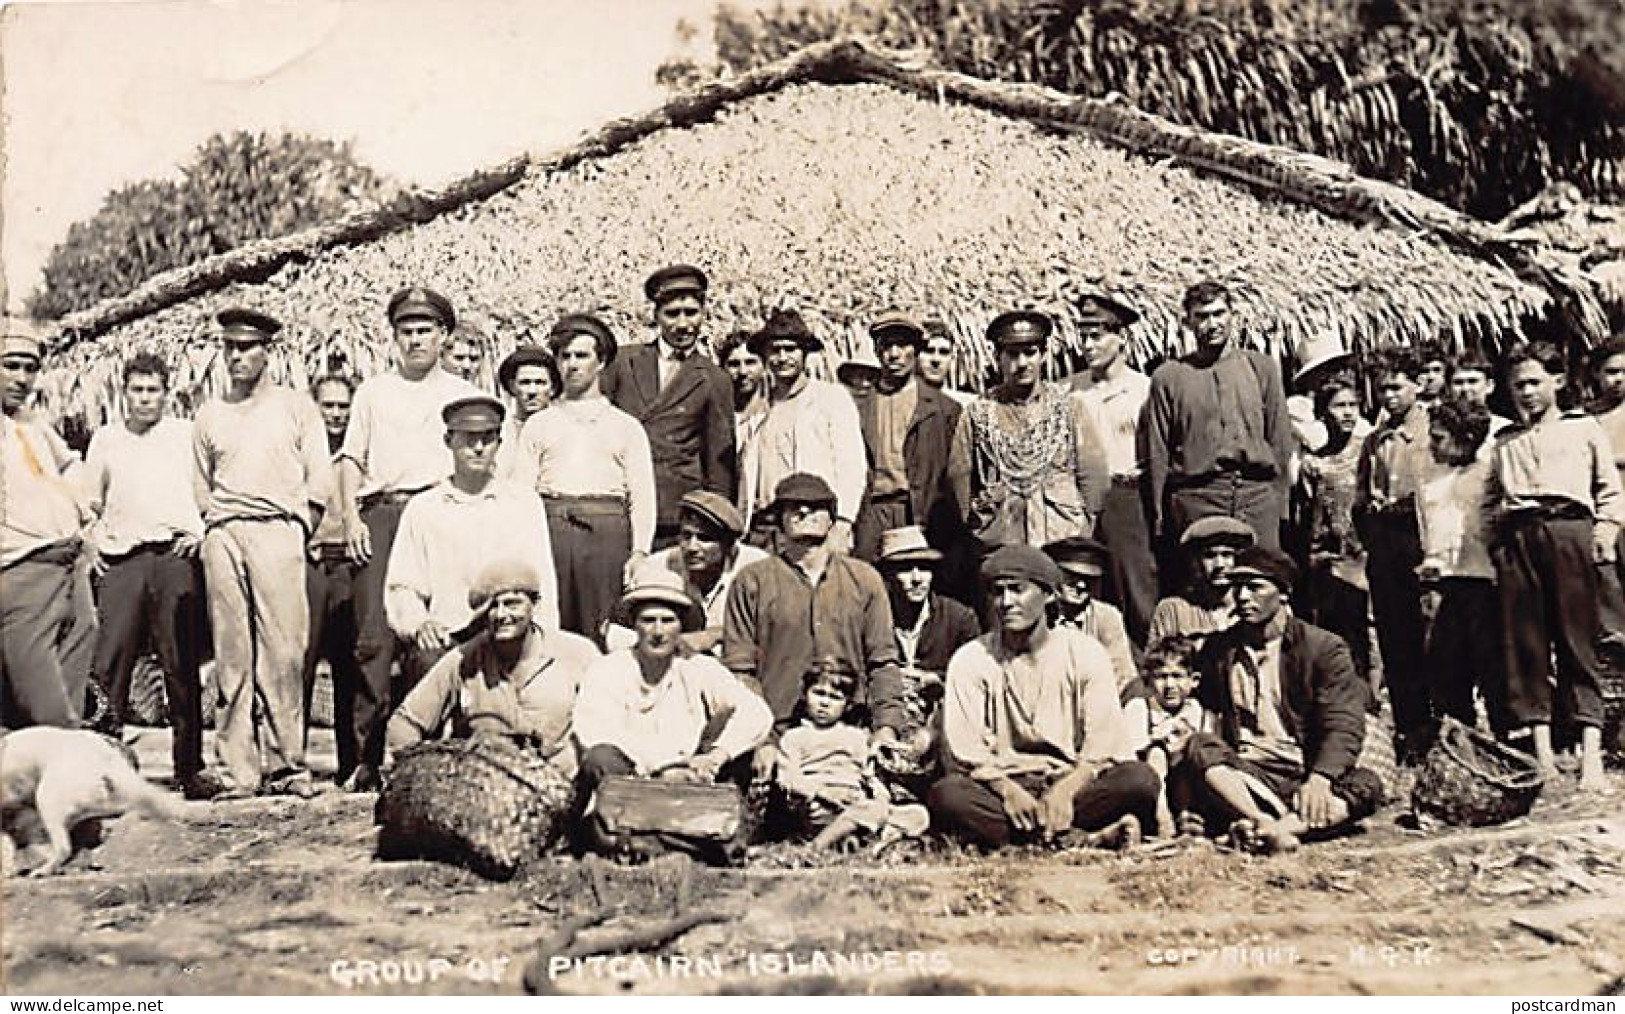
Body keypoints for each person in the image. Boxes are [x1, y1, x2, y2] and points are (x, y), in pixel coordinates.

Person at [338, 286, 480, 791]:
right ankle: (367, 758)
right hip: (382, 512)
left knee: (440, 629)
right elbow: (352, 460)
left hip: (438, 513)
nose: (416, 340)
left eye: (425, 330)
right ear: (394, 337)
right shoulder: (374, 392)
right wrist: (351, 519)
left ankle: (431, 755)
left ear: (443, 335)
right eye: (407, 331)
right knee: (373, 639)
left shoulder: (460, 392)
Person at [929, 545, 1158, 850]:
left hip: (1073, 781)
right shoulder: (972, 659)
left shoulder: (1085, 652)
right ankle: (1079, 838)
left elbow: (1102, 744)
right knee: (948, 796)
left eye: (1017, 590)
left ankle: (1028, 839)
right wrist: (1008, 791)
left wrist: (1066, 791)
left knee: (1139, 780)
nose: (1006, 602)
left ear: (1049, 594)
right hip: (1004, 786)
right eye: (998, 592)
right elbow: (966, 750)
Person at [193, 307, 333, 799]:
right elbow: (201, 486)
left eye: (246, 347)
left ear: (266, 351)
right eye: (229, 347)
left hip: (279, 532)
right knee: (232, 655)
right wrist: (217, 531)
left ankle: (288, 764)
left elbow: (320, 477)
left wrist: (300, 526)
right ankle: (237, 770)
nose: (236, 356)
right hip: (225, 533)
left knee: (284, 653)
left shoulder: (296, 408)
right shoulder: (209, 414)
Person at [1488, 341, 1623, 792]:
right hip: (1518, 537)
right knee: (1525, 642)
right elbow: (1490, 499)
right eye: (1517, 386)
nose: (1525, 393)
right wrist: (1498, 543)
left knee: (1577, 640)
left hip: (1570, 532)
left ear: (1558, 382)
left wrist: (1602, 534)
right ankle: (1543, 755)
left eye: (1533, 383)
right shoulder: (1505, 440)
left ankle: (1590, 755)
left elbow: (1609, 489)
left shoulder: (1582, 429)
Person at [1186, 546, 1384, 854]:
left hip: (1301, 771)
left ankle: (1277, 830)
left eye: (1254, 587)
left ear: (1284, 593)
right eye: (1237, 587)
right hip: (1244, 776)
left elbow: (1344, 723)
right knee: (1200, 746)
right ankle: (1263, 821)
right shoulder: (1220, 649)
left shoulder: (1323, 648)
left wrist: (1320, 778)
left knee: (1366, 784)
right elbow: (1206, 712)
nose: (1241, 597)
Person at [573, 568, 774, 859]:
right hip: (631, 785)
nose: (657, 631)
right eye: (648, 620)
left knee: (735, 766)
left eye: (668, 621)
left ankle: (647, 842)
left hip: (686, 788)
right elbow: (594, 733)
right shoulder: (607, 669)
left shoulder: (698, 667)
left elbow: (757, 713)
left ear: (680, 626)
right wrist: (663, 770)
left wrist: (717, 756)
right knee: (601, 760)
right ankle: (682, 843)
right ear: (634, 625)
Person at [81, 353, 207, 796]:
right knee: (109, 663)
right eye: (137, 390)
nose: (145, 399)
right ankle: (103, 767)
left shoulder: (185, 435)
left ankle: (190, 768)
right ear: (124, 392)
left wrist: (201, 531)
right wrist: (91, 538)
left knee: (180, 663)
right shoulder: (106, 440)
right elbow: (87, 502)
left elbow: (211, 490)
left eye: (153, 390)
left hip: (173, 557)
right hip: (122, 559)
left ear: (166, 392)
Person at [722, 473, 906, 768]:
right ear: (779, 519)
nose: (804, 512)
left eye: (816, 506)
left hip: (850, 732)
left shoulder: (864, 579)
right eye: (793, 507)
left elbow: (882, 661)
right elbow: (740, 670)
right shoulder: (752, 581)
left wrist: (886, 727)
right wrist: (761, 739)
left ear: (832, 518)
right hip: (776, 735)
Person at [385, 395, 561, 679]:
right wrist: (420, 624)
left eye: (487, 438)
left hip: (510, 630)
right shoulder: (424, 508)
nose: (478, 448)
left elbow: (543, 582)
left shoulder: (523, 503)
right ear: (448, 441)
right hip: (450, 634)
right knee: (427, 667)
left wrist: (545, 640)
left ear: (499, 443)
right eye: (468, 439)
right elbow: (402, 586)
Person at [515, 313, 657, 643]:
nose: (572, 365)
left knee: (605, 627)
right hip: (552, 531)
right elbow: (521, 496)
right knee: (551, 627)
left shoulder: (625, 426)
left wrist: (639, 552)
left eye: (582, 355)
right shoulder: (540, 424)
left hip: (606, 537)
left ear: (601, 361)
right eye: (564, 356)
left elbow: (642, 496)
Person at [385, 559, 597, 778]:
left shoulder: (577, 654)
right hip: (488, 791)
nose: (502, 614)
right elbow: (405, 722)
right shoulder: (464, 659)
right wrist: (412, 777)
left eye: (513, 603)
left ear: (535, 605)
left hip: (562, 788)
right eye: (492, 606)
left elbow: (607, 726)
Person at [1145, 281, 1293, 554]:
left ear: (1232, 316)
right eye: (1202, 316)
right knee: (1204, 582)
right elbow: (1158, 451)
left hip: (1256, 496)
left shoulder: (1261, 368)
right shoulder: (1169, 377)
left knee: (1261, 576)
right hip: (1197, 498)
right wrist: (1159, 516)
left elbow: (1280, 440)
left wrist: (1280, 505)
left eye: (1219, 313)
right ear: (1187, 322)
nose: (1212, 324)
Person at [601, 265, 736, 549]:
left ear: (704, 315)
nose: (683, 324)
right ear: (656, 316)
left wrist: (715, 523)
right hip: (620, 505)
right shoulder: (623, 364)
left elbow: (719, 462)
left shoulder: (714, 379)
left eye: (691, 313)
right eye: (672, 314)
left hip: (675, 515)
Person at [1, 318, 93, 728]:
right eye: (10, 365)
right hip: (21, 567)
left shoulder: (33, 425)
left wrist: (81, 510)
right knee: (42, 697)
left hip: (70, 563)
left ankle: (54, 768)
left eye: (30, 368)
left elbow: (72, 463)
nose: (22, 378)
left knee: (81, 640)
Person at [964, 310, 1109, 550]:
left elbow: (1094, 478)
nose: (1022, 363)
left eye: (1030, 353)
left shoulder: (1069, 408)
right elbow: (959, 479)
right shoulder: (978, 413)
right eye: (1012, 354)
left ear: (1043, 355)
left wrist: (1083, 529)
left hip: (1060, 536)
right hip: (1001, 539)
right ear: (997, 357)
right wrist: (980, 528)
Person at [1354, 346, 1432, 762]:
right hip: (1387, 544)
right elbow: (1361, 497)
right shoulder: (1374, 440)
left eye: (1397, 387)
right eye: (1382, 389)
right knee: (1395, 637)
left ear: (1417, 386)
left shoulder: (1432, 432)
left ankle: (1446, 731)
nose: (1389, 396)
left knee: (1433, 637)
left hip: (1424, 541)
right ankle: (1411, 733)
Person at [1066, 291, 1158, 642]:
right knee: (1085, 584)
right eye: (1083, 336)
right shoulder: (1071, 391)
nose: (1087, 345)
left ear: (1121, 338)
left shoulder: (1143, 390)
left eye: (1096, 336)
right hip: (1081, 500)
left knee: (1135, 585)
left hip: (1127, 497)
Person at [737, 310, 866, 553]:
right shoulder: (756, 410)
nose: (782, 357)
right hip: (765, 526)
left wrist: (842, 525)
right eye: (775, 350)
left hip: (813, 521)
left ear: (804, 354)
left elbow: (851, 468)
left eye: (790, 349)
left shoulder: (830, 399)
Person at [850, 311, 971, 564]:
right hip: (873, 511)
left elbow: (957, 474)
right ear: (876, 350)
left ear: (916, 350)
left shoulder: (944, 410)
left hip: (921, 510)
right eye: (886, 346)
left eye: (902, 345)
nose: (894, 354)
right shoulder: (857, 407)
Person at [776, 657, 931, 851]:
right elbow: (788, 779)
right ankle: (817, 847)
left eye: (834, 697)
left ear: (847, 704)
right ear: (805, 695)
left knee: (918, 814)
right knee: (865, 813)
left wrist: (880, 799)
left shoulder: (856, 737)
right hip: (818, 805)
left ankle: (855, 839)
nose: (824, 703)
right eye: (818, 693)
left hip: (854, 802)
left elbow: (869, 776)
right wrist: (822, 793)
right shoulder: (795, 737)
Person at [1417, 395, 1504, 734]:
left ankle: (1504, 743)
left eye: (1439, 438)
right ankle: (1457, 741)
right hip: (1443, 583)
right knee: (1445, 665)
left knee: (1490, 664)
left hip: (1484, 581)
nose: (1432, 446)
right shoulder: (1430, 480)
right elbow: (1429, 531)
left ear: (1466, 439)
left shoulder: (1489, 474)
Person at [873, 525, 981, 779]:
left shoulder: (959, 617)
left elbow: (977, 678)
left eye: (924, 568)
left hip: (944, 720)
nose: (917, 578)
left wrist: (938, 679)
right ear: (886, 576)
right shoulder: (873, 617)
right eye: (905, 569)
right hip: (885, 718)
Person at [602, 491, 768, 655]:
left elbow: (770, 627)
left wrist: (712, 635)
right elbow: (620, 631)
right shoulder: (658, 566)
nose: (692, 547)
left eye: (704, 538)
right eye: (686, 536)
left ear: (728, 545)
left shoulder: (755, 567)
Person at [1296, 370, 1375, 697]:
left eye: (1353, 405)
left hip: (1365, 557)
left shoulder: (1368, 448)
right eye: (1339, 405)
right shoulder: (1315, 460)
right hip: (1330, 560)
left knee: (1369, 637)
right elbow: (1313, 517)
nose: (1347, 413)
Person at [303, 374, 364, 783]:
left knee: (348, 666)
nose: (337, 414)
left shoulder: (361, 454)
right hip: (308, 564)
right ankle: (292, 761)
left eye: (344, 406)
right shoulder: (302, 453)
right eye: (329, 406)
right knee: (299, 663)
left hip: (348, 566)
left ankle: (351, 763)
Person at [1146, 517, 1255, 649]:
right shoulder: (1174, 611)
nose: (1219, 565)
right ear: (1195, 562)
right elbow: (1156, 663)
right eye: (1210, 556)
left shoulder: (1251, 611)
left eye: (1227, 555)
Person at [1140, 636, 1206, 839]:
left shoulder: (1200, 713)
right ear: (1149, 681)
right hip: (1152, 789)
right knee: (1157, 754)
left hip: (1189, 784)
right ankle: (1163, 818)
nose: (1169, 685)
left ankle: (1189, 817)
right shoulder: (1141, 709)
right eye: (1161, 677)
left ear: (1194, 680)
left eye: (1177, 676)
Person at [492, 344, 559, 480]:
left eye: (540, 383)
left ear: (553, 388)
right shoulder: (500, 430)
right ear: (512, 387)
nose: (532, 391)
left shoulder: (561, 430)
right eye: (525, 383)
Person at [1446, 350, 1516, 448]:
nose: (1465, 389)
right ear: (1448, 388)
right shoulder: (1437, 429)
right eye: (1458, 382)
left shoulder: (1505, 429)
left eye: (1472, 381)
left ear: (1489, 386)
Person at [717, 329, 769, 457]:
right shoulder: (715, 420)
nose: (743, 372)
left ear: (764, 367)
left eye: (750, 362)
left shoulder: (774, 416)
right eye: (734, 364)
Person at [915, 320, 975, 406]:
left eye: (944, 352)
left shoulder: (966, 405)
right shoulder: (902, 400)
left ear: (952, 357)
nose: (936, 360)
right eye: (929, 351)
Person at [1414, 339, 1450, 410]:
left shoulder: (1452, 405)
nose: (1431, 377)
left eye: (1437, 370)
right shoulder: (1409, 406)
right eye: (1425, 371)